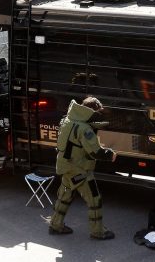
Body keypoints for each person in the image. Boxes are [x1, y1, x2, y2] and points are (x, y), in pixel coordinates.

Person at [49, 97, 117, 240]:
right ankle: (98, 232)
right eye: (97, 112)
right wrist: (110, 154)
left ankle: (55, 225)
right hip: (80, 169)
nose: (98, 114)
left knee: (64, 197)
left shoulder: (67, 120)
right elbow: (95, 152)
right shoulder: (84, 129)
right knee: (95, 200)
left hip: (65, 166)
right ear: (91, 111)